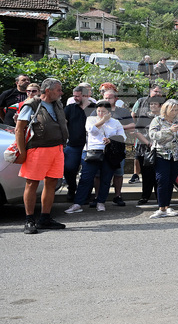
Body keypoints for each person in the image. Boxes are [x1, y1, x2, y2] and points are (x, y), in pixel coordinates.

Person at [15, 78, 68, 234]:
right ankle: (29, 220)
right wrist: (22, 152)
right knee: (32, 184)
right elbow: (19, 129)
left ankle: (45, 218)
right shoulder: (32, 104)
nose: (61, 93)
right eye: (58, 90)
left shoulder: (57, 103)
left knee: (51, 183)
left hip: (57, 149)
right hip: (37, 149)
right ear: (47, 90)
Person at [65, 99, 126, 215]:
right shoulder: (90, 119)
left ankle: (101, 201)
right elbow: (91, 130)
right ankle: (78, 203)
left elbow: (123, 137)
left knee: (106, 179)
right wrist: (103, 120)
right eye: (98, 111)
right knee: (86, 178)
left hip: (108, 153)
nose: (100, 114)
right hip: (91, 151)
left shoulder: (115, 122)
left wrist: (111, 140)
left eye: (103, 112)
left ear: (109, 112)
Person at [147, 99, 178, 218]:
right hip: (162, 154)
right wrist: (169, 131)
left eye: (176, 110)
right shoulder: (157, 120)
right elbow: (153, 135)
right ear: (166, 109)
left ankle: (167, 206)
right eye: (172, 110)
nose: (175, 112)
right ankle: (161, 208)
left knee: (171, 181)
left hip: (177, 155)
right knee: (162, 180)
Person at [63, 86, 95, 203]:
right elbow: (62, 122)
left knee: (88, 173)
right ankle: (72, 188)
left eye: (77, 96)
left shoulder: (95, 109)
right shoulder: (69, 108)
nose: (74, 98)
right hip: (73, 144)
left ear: (86, 95)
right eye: (74, 95)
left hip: (91, 146)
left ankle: (85, 194)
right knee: (68, 168)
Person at [132, 96, 163, 206]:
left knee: (158, 175)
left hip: (160, 149)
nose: (153, 106)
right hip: (145, 148)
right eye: (151, 104)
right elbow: (137, 132)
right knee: (146, 175)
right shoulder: (144, 116)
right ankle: (145, 196)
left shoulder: (163, 118)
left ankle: (160, 197)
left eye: (155, 104)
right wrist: (148, 143)